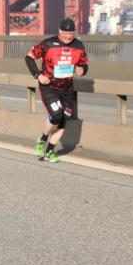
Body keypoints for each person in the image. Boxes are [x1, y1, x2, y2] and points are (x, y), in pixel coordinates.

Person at [25, 17, 89, 163]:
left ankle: (49, 152)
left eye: (71, 33)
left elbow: (84, 65)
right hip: (49, 87)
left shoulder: (79, 46)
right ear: (60, 31)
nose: (68, 36)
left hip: (67, 89)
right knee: (56, 114)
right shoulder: (48, 44)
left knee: (63, 121)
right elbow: (29, 58)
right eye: (66, 33)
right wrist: (38, 75)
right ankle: (43, 138)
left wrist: (82, 70)